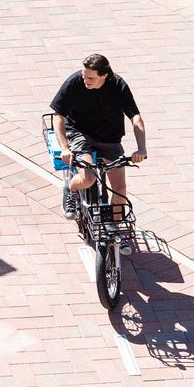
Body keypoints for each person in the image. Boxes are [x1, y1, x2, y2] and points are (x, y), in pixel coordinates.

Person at [50, 53, 148, 255]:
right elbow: (58, 116)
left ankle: (113, 227)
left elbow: (135, 117)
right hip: (80, 133)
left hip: (109, 138)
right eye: (84, 75)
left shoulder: (118, 85)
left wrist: (141, 148)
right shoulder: (75, 82)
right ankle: (70, 188)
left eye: (90, 77)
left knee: (120, 188)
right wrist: (65, 149)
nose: (85, 80)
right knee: (87, 179)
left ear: (105, 75)